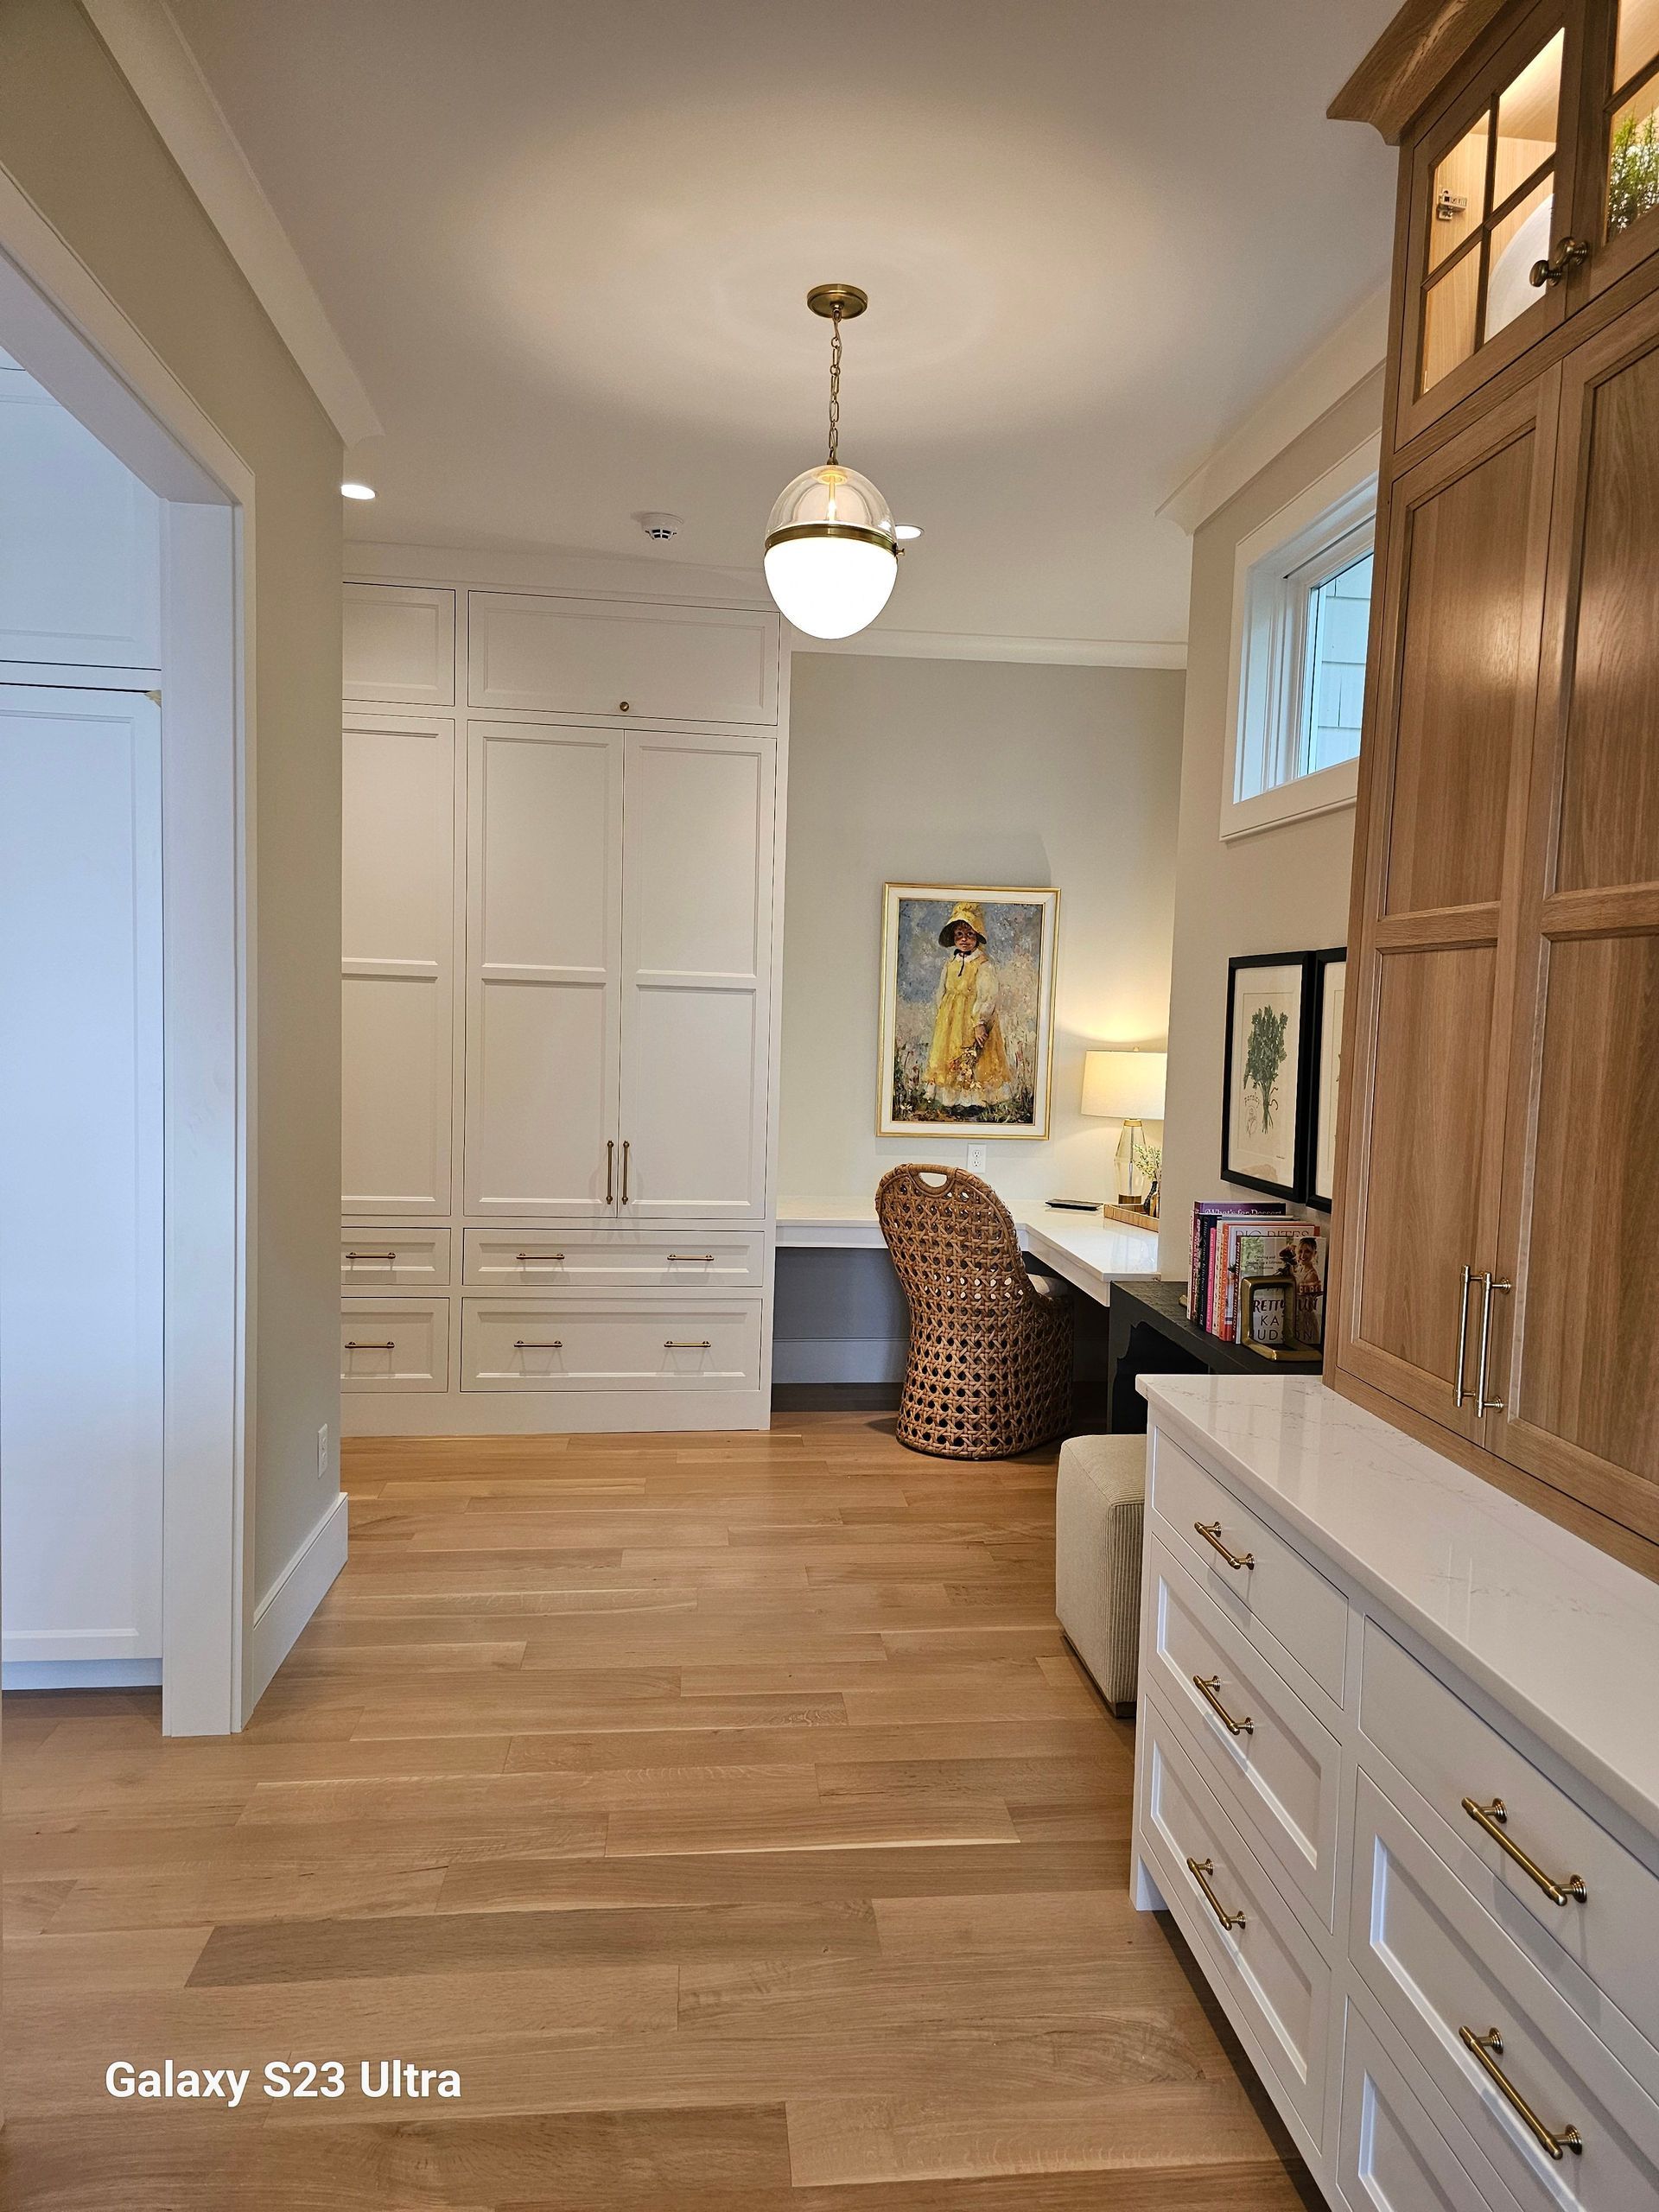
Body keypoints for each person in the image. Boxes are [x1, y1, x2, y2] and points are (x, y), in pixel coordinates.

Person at [924, 899, 1012, 1109]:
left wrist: (979, 1021)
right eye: (959, 935)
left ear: (977, 937)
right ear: (953, 938)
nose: (964, 940)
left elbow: (988, 995)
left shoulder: (983, 965)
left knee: (976, 1057)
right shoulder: (950, 964)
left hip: (972, 1021)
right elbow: (941, 992)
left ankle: (975, 1102)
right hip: (951, 1020)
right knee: (950, 1056)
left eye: (970, 935)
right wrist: (943, 1015)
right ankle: (952, 1101)